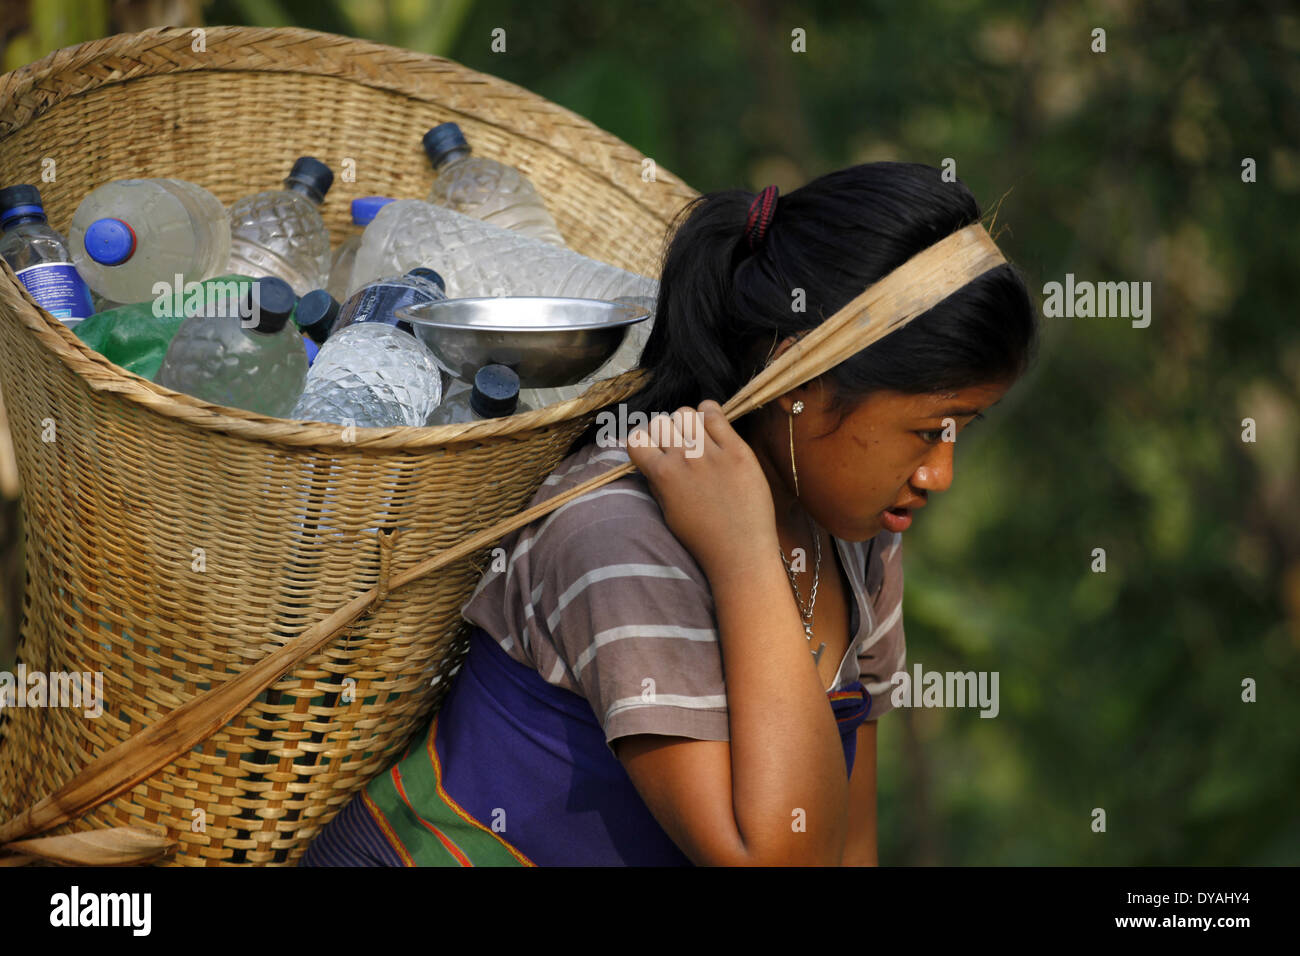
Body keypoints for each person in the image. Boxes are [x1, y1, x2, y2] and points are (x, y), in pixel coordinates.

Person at [298, 161, 1038, 866]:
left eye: (961, 432)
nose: (940, 474)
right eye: (928, 429)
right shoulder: (616, 536)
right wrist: (744, 553)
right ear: (798, 376)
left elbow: (848, 850)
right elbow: (781, 857)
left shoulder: (859, 543)